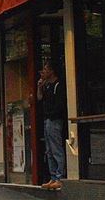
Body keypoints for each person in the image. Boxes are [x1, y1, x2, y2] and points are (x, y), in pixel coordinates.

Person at [37, 62, 66, 191]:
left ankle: (59, 177)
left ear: (52, 71)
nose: (43, 71)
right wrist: (40, 87)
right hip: (48, 119)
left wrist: (52, 114)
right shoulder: (47, 86)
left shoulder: (58, 85)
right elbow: (39, 98)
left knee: (56, 148)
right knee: (49, 150)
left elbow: (60, 104)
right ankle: (53, 177)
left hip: (54, 119)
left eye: (45, 69)